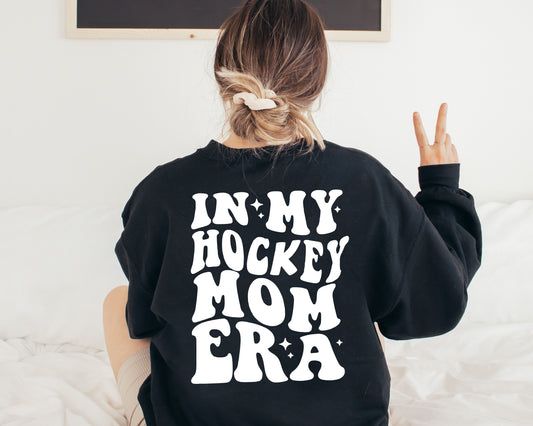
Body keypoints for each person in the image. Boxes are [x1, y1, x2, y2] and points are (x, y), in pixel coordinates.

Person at [102, 1, 483, 425]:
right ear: (315, 81)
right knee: (352, 301)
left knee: (116, 302)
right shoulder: (363, 180)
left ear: (222, 74)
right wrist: (441, 188)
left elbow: (144, 316)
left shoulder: (161, 191)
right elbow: (437, 299)